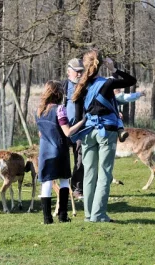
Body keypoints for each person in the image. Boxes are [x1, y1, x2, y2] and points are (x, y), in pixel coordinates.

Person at [71, 48, 137, 222]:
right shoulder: (106, 84)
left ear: (85, 65)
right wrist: (114, 69)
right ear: (100, 65)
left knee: (89, 174)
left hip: (87, 133)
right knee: (104, 173)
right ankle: (98, 214)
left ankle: (88, 214)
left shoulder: (80, 87)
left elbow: (78, 116)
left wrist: (78, 136)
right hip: (105, 132)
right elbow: (131, 80)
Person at [35, 80, 86, 224]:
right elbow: (68, 131)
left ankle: (47, 219)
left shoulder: (38, 111)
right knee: (64, 181)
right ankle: (63, 216)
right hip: (59, 150)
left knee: (46, 183)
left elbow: (41, 134)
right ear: (58, 93)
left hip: (44, 151)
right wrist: (83, 121)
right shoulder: (59, 109)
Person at [62, 58, 85, 200]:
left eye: (81, 71)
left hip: (80, 130)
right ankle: (64, 189)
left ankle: (77, 188)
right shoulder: (62, 86)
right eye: (76, 72)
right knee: (63, 160)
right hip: (63, 131)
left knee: (80, 160)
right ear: (68, 71)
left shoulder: (85, 87)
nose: (79, 74)